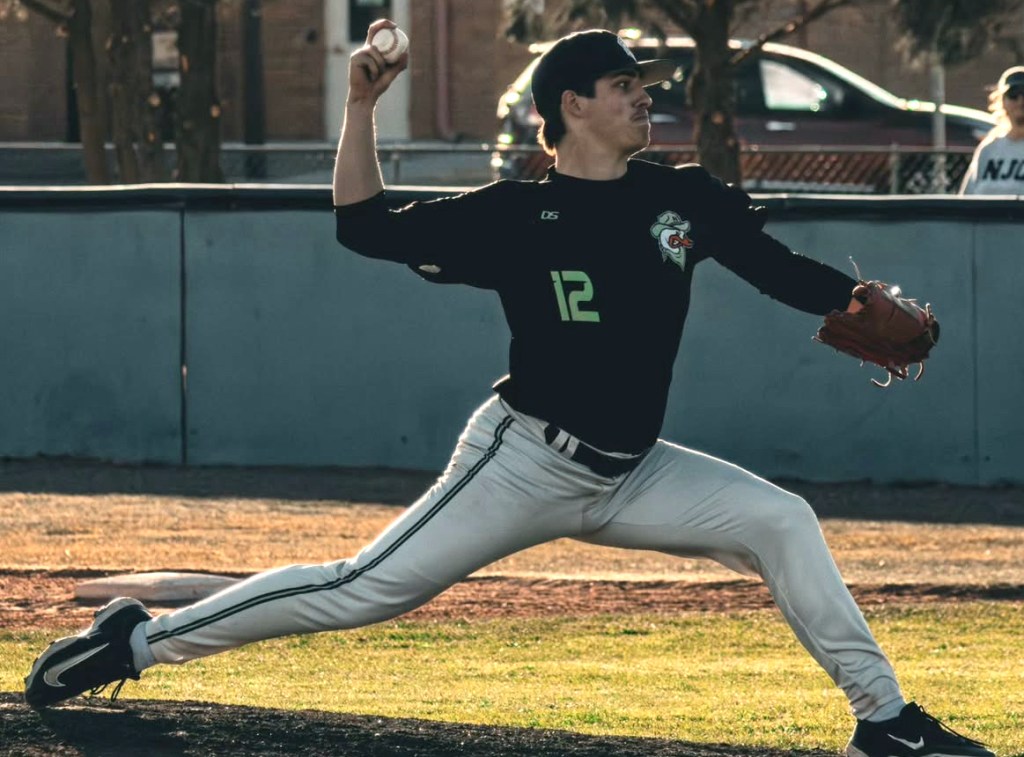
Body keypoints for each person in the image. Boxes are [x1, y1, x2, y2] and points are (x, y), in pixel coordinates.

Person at [25, 22, 994, 757]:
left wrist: (854, 301)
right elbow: (362, 227)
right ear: (572, 104)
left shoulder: (680, 198)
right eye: (624, 86)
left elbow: (776, 268)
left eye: (642, 87)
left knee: (782, 520)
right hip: (524, 459)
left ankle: (885, 720)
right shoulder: (515, 214)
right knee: (360, 589)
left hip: (634, 470)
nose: (642, 100)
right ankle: (136, 640)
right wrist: (361, 105)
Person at [960, 65, 1024, 195]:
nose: (1020, 101)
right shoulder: (989, 149)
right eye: (1013, 95)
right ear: (1002, 101)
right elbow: (966, 198)